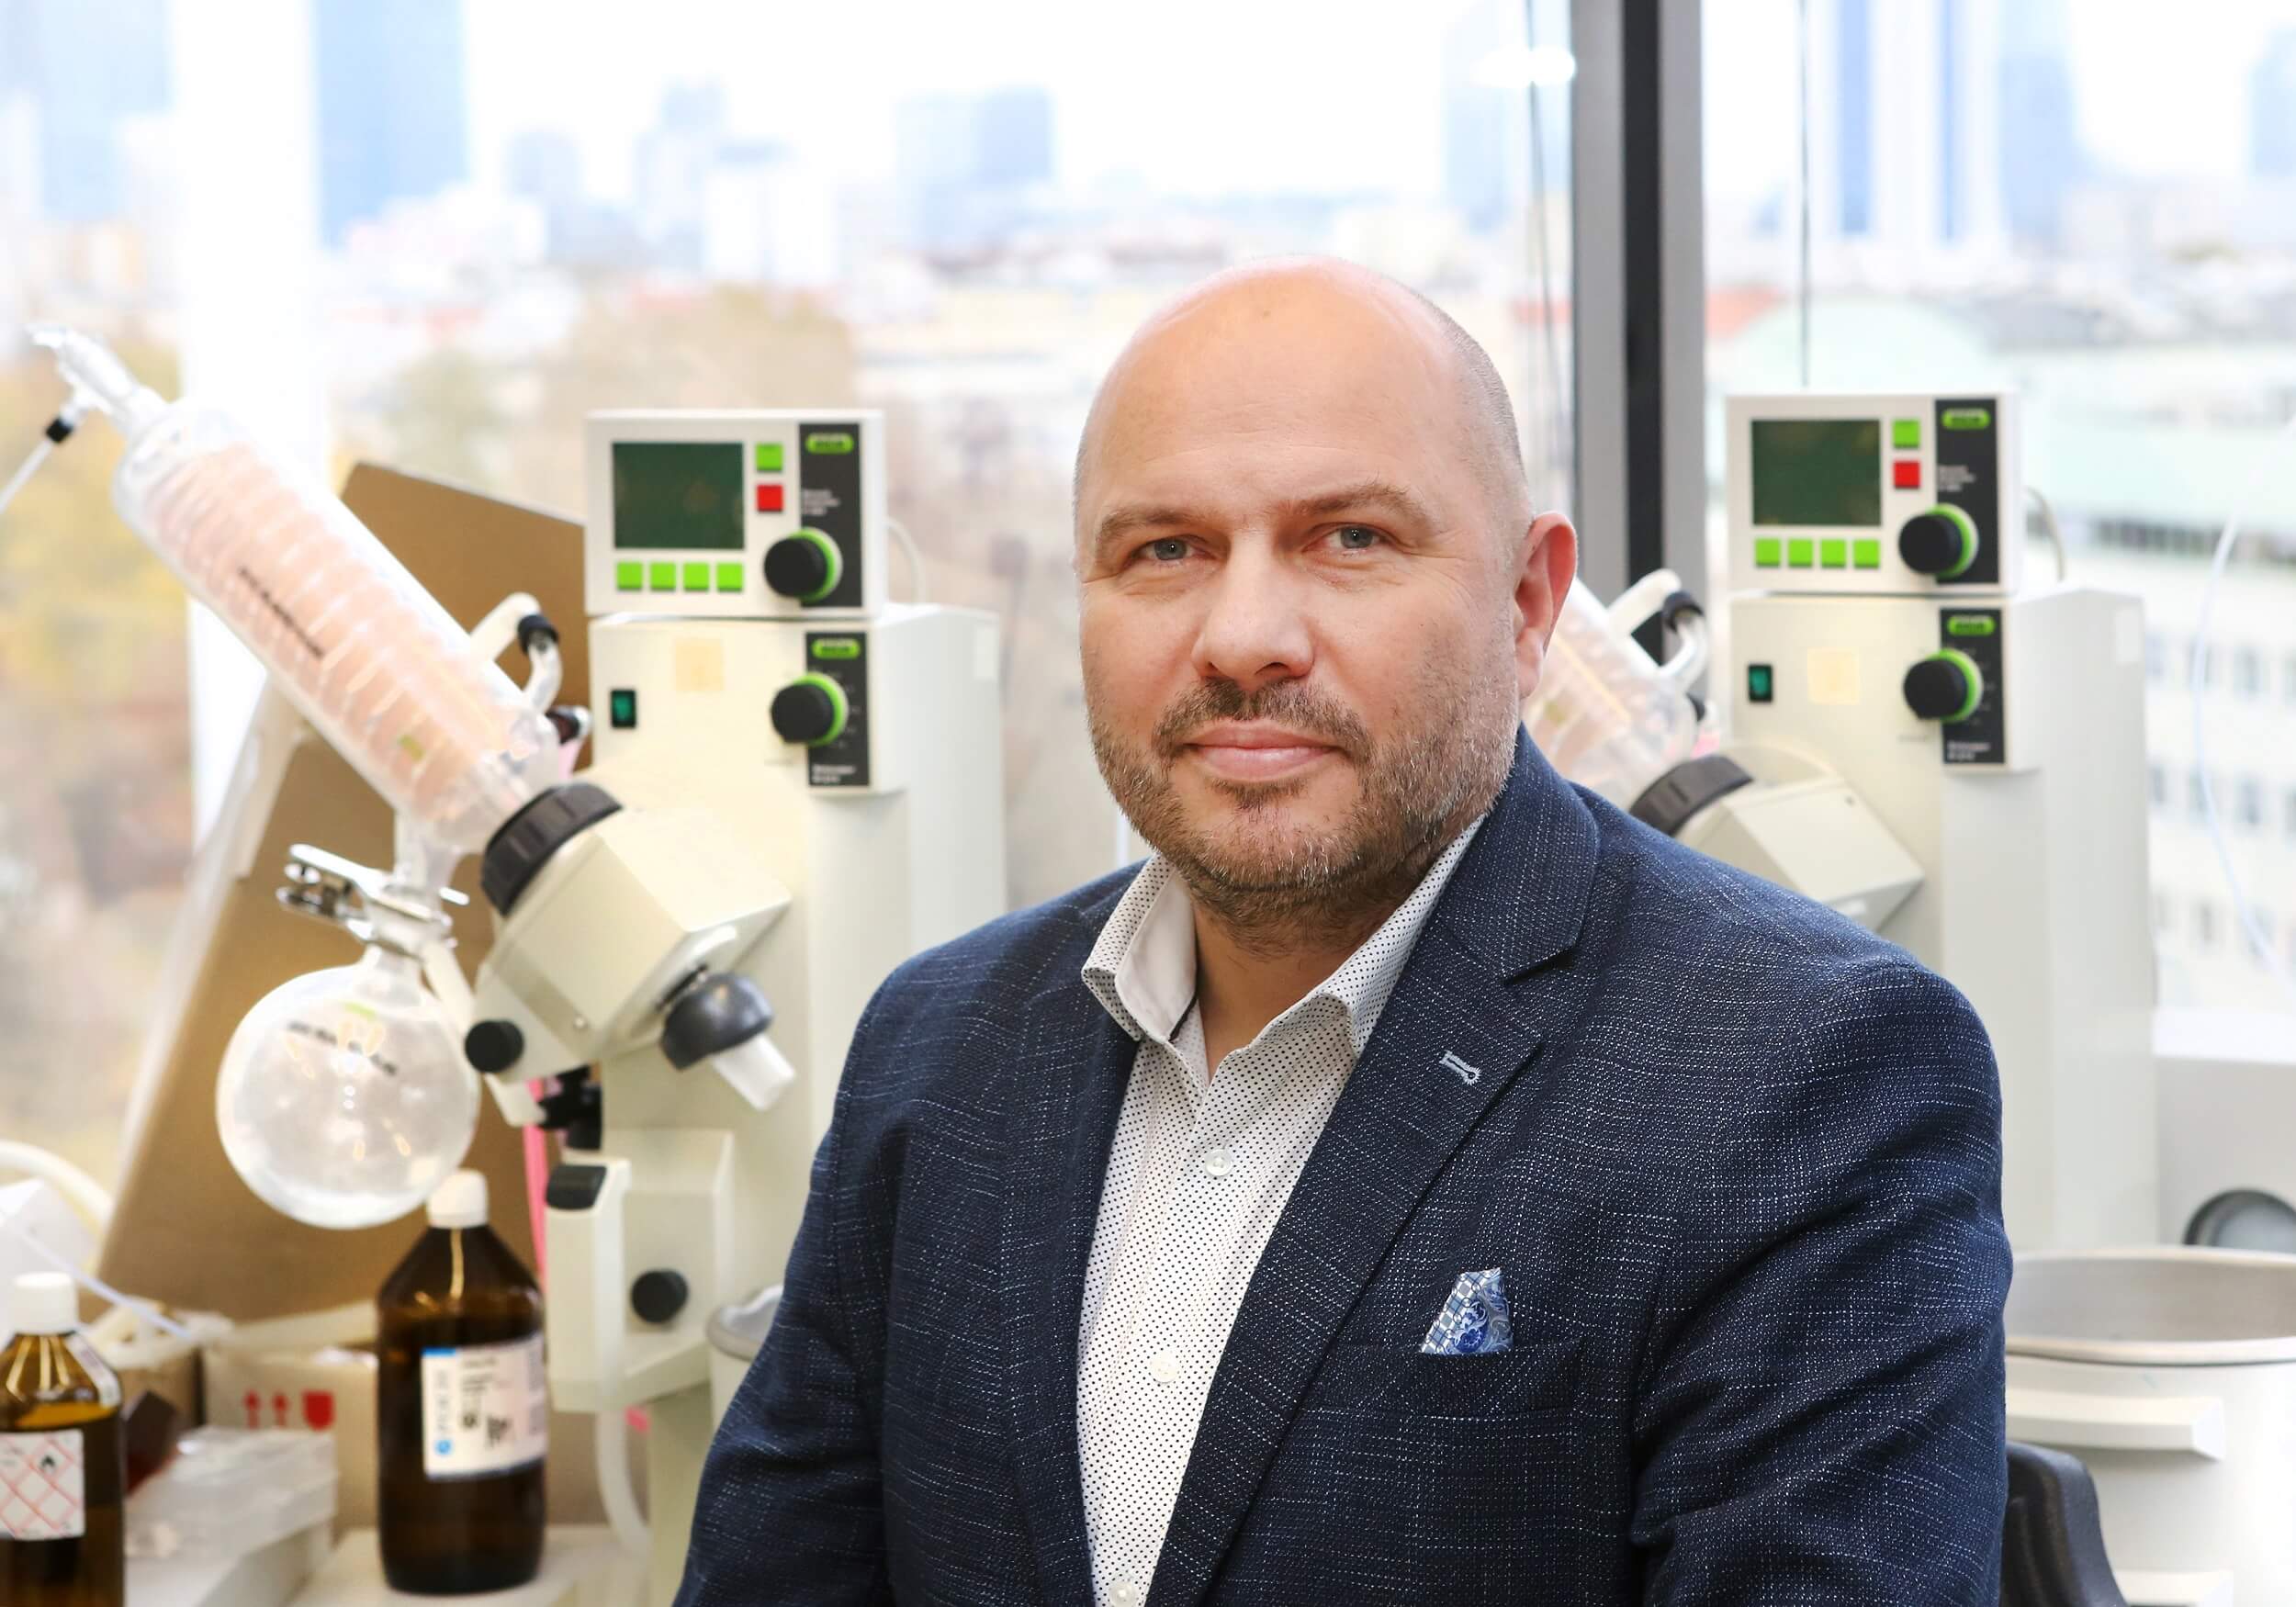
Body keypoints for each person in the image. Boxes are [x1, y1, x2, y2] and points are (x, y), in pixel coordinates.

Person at [676, 258, 2010, 1605]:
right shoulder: (939, 1046)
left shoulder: (1800, 1074)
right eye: (1165, 551)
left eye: (1350, 538)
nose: (1244, 637)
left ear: (1528, 603)